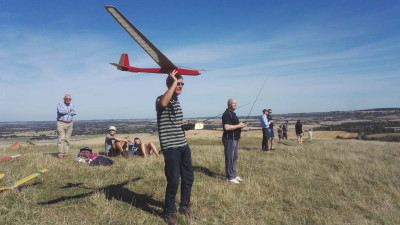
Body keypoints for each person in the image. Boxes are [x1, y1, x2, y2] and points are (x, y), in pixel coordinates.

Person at [156, 69, 198, 224]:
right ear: (170, 84)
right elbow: (163, 103)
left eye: (182, 84)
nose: (180, 86)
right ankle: (169, 213)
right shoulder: (160, 99)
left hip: (183, 145)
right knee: (173, 180)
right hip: (170, 147)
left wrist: (184, 125)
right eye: (177, 83)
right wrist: (173, 82)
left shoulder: (178, 102)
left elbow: (174, 123)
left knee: (188, 178)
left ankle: (185, 207)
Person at [222, 98, 247, 184]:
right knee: (230, 157)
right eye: (233, 103)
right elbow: (227, 127)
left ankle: (233, 174)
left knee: (235, 157)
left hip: (235, 138)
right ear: (229, 105)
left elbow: (235, 125)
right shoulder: (226, 114)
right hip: (229, 139)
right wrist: (239, 125)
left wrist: (241, 125)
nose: (235, 104)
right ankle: (229, 177)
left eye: (236, 103)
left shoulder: (233, 114)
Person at [56, 94, 76, 158]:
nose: (68, 100)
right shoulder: (60, 104)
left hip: (70, 123)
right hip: (61, 123)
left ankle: (66, 153)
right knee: (61, 138)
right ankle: (60, 154)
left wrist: (67, 112)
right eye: (67, 99)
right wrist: (69, 111)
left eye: (69, 99)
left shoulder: (72, 105)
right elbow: (60, 111)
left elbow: (74, 113)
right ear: (64, 99)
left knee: (67, 139)